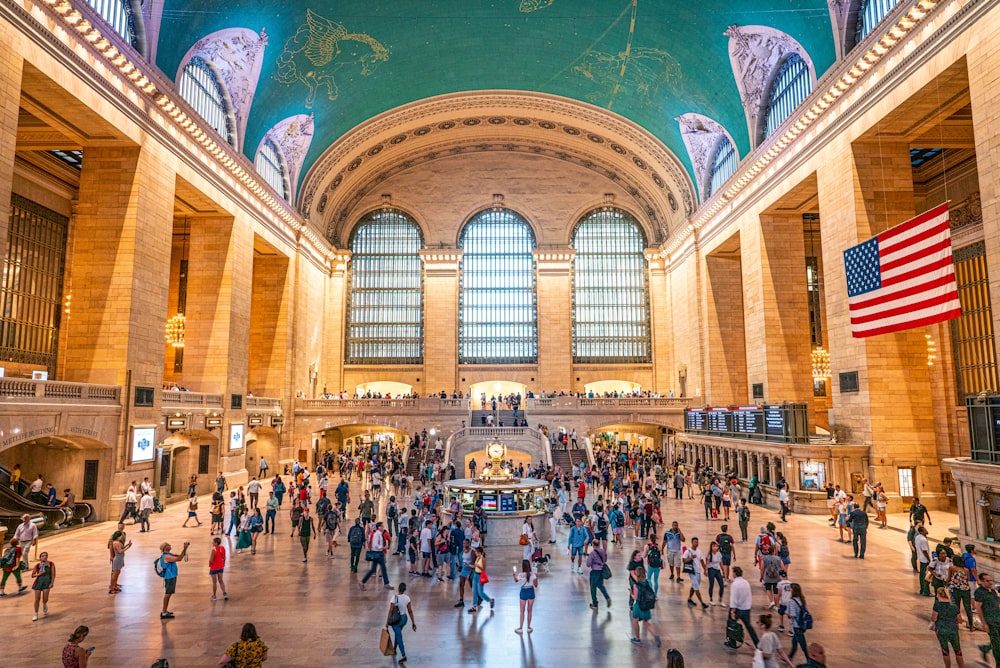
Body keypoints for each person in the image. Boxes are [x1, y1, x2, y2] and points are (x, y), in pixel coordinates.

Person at [932, 585, 965, 668]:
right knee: (958, 651)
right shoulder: (954, 606)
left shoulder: (937, 605)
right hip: (953, 630)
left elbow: (934, 618)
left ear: (939, 595)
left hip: (941, 630)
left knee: (945, 651)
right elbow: (960, 620)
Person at [629, 564, 661, 646]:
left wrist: (631, 593)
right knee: (646, 622)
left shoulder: (636, 585)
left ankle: (637, 638)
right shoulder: (649, 582)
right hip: (646, 606)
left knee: (635, 621)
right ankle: (655, 635)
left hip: (638, 606)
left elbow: (635, 597)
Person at [157, 541, 190, 619]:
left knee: (169, 593)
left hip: (172, 576)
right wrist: (184, 548)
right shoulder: (166, 557)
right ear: (164, 548)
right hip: (169, 577)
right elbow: (179, 559)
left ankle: (165, 611)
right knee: (168, 594)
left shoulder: (169, 555)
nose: (170, 545)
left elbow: (181, 556)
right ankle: (164, 612)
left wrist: (185, 549)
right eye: (168, 545)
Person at [974, 572, 1000, 666]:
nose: (990, 583)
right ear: (981, 581)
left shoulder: (992, 591)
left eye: (991, 581)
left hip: (998, 619)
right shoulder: (979, 592)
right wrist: (984, 623)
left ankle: (985, 648)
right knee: (997, 646)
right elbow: (978, 608)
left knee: (997, 642)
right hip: (990, 622)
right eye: (987, 581)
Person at [729, 566, 759, 648]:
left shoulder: (735, 584)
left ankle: (732, 642)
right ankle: (757, 643)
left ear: (735, 573)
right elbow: (748, 595)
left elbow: (733, 598)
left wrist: (732, 611)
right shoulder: (746, 582)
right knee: (749, 626)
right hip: (746, 608)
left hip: (738, 609)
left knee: (731, 625)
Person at [387, 582, 416, 663]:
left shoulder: (394, 598)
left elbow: (391, 611)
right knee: (398, 633)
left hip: (396, 620)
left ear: (399, 589)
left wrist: (387, 622)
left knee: (399, 636)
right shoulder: (407, 598)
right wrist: (413, 623)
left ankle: (403, 655)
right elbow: (410, 611)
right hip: (404, 619)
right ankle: (394, 649)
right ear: (404, 589)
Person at [360, 521, 391, 590]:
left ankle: (386, 583)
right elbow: (375, 544)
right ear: (378, 527)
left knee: (379, 569)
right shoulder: (377, 535)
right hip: (378, 553)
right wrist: (382, 547)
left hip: (379, 553)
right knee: (379, 569)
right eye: (382, 526)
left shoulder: (379, 534)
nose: (383, 527)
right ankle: (362, 582)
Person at [586, 538, 612, 610]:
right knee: (600, 585)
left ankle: (595, 604)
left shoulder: (592, 553)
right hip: (601, 571)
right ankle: (607, 597)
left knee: (593, 588)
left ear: (593, 545)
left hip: (594, 572)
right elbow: (605, 559)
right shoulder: (603, 551)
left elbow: (588, 564)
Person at [786, 582, 809, 660]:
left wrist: (787, 614)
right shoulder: (802, 599)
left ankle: (809, 660)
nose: (789, 590)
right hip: (802, 624)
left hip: (796, 625)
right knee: (794, 643)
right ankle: (790, 657)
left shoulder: (791, 601)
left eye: (790, 588)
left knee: (803, 646)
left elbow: (792, 615)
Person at [683, 537, 708, 609]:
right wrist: (691, 558)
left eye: (697, 542)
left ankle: (689, 598)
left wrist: (705, 570)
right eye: (695, 542)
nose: (696, 543)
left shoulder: (699, 551)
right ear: (692, 542)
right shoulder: (688, 551)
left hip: (698, 572)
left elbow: (702, 561)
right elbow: (684, 560)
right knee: (696, 587)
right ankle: (702, 603)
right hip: (692, 572)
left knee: (694, 586)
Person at [514, 559, 537, 633]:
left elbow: (516, 580)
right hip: (531, 591)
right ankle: (529, 627)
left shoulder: (521, 575)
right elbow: (536, 585)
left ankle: (520, 628)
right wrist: (536, 577)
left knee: (522, 611)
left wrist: (514, 574)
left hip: (523, 591)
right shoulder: (533, 574)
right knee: (529, 611)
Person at [30, 551, 54, 621]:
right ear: (40, 558)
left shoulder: (51, 564)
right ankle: (36, 614)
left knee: (45, 598)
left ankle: (44, 604)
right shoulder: (37, 565)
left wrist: (52, 583)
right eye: (43, 556)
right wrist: (39, 574)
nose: (45, 557)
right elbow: (33, 575)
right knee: (37, 599)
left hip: (47, 582)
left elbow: (53, 574)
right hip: (39, 582)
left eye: (46, 555)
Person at [469, 546, 494, 613]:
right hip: (475, 575)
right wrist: (470, 565)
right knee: (474, 591)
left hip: (480, 575)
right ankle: (474, 606)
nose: (475, 554)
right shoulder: (477, 558)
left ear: (479, 552)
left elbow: (483, 569)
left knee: (480, 592)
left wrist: (477, 566)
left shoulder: (483, 559)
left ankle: (490, 600)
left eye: (476, 552)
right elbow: (475, 566)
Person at [209, 537, 228, 601]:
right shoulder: (222, 548)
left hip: (214, 567)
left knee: (214, 582)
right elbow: (224, 557)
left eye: (213, 542)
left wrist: (209, 565)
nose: (212, 543)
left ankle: (214, 596)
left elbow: (211, 560)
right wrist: (223, 564)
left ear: (216, 543)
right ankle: (224, 593)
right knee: (221, 580)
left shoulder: (214, 550)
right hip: (220, 566)